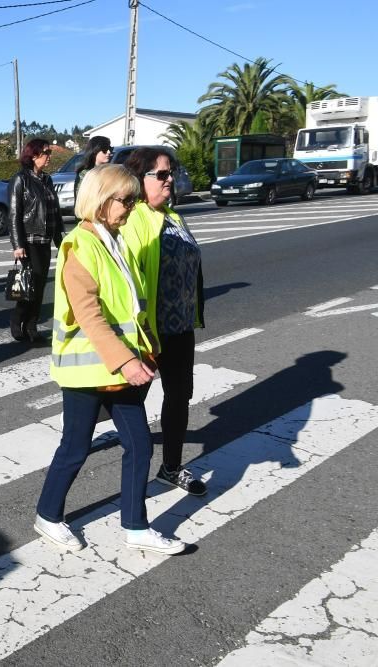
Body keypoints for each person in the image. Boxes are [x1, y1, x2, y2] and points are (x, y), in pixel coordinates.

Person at [34, 163, 188, 556]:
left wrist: (147, 348)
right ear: (102, 200)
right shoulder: (79, 245)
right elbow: (90, 315)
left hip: (120, 368)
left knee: (139, 446)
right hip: (88, 370)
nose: (132, 207)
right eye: (126, 200)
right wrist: (126, 361)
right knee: (75, 447)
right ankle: (48, 515)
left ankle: (136, 525)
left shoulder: (115, 240)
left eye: (135, 200)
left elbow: (133, 306)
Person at [121, 147, 207, 497]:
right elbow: (126, 284)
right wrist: (140, 334)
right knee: (128, 402)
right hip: (148, 332)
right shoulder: (134, 220)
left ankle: (171, 467)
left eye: (170, 172)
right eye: (161, 174)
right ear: (140, 181)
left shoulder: (173, 215)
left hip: (180, 327)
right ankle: (129, 479)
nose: (169, 178)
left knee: (178, 396)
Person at [7, 138, 64, 343]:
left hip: (45, 239)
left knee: (39, 287)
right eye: (46, 152)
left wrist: (60, 239)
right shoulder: (20, 180)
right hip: (29, 240)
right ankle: (17, 321)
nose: (49, 156)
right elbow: (14, 214)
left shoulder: (47, 180)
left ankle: (32, 326)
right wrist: (17, 245)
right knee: (28, 285)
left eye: (49, 152)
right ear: (33, 155)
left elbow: (54, 212)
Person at [74, 135, 113, 208]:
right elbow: (82, 200)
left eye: (110, 148)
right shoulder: (85, 174)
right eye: (105, 149)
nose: (109, 152)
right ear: (95, 151)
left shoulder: (109, 172)